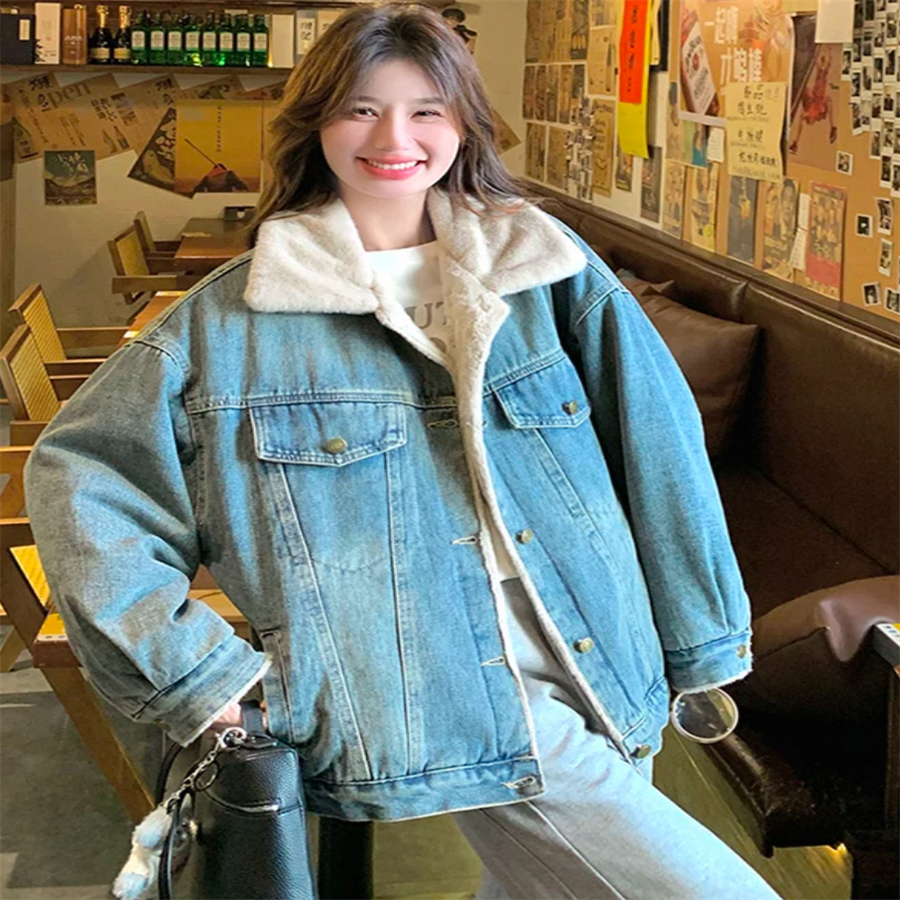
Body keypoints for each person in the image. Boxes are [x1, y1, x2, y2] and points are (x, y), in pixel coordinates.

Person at [24, 4, 781, 899]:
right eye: (361, 109)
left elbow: (660, 446)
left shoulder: (545, 266)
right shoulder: (227, 325)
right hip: (426, 683)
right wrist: (196, 673)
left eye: (427, 110)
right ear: (317, 124)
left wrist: (696, 637)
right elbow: (80, 477)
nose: (395, 138)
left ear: (462, 124)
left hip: (598, 642)